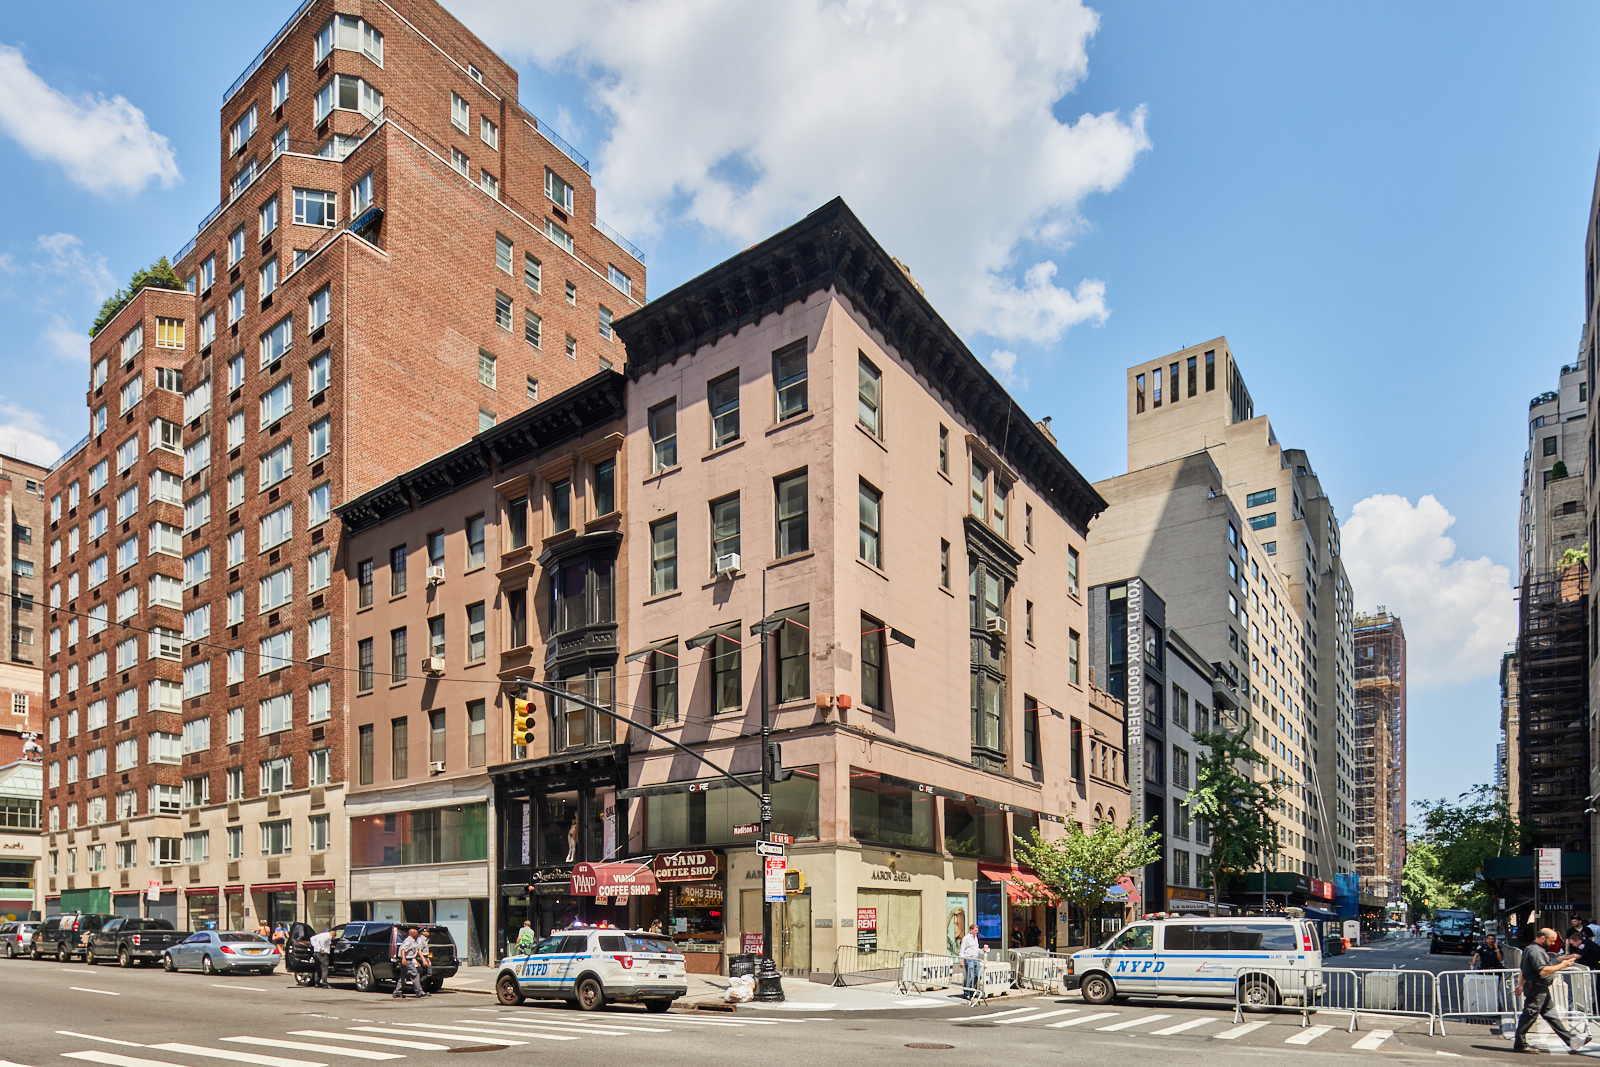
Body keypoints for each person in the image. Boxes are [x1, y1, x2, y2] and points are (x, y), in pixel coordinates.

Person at [1513, 927, 1591, 1053]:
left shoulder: (1535, 950)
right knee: (1529, 1015)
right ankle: (1520, 1044)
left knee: (1551, 1015)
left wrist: (1521, 985)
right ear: (1543, 938)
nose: (1553, 943)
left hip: (1540, 988)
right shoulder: (1535, 951)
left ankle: (1572, 1041)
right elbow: (1542, 970)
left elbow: (1523, 969)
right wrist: (1562, 966)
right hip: (1537, 988)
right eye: (1551, 940)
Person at [395, 927, 427, 999]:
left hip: (410, 960)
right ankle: (419, 992)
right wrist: (403, 958)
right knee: (415, 975)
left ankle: (397, 992)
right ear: (413, 934)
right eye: (416, 933)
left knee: (403, 977)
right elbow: (403, 949)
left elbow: (414, 952)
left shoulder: (413, 941)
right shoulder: (408, 941)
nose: (417, 934)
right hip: (407, 960)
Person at [959, 923, 984, 1001]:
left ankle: (971, 989)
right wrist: (962, 960)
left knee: (978, 975)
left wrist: (981, 950)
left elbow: (975, 949)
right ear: (971, 930)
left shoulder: (975, 938)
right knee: (969, 976)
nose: (976, 932)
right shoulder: (966, 938)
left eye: (977, 930)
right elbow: (962, 950)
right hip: (969, 959)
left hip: (975, 959)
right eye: (975, 930)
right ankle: (967, 992)